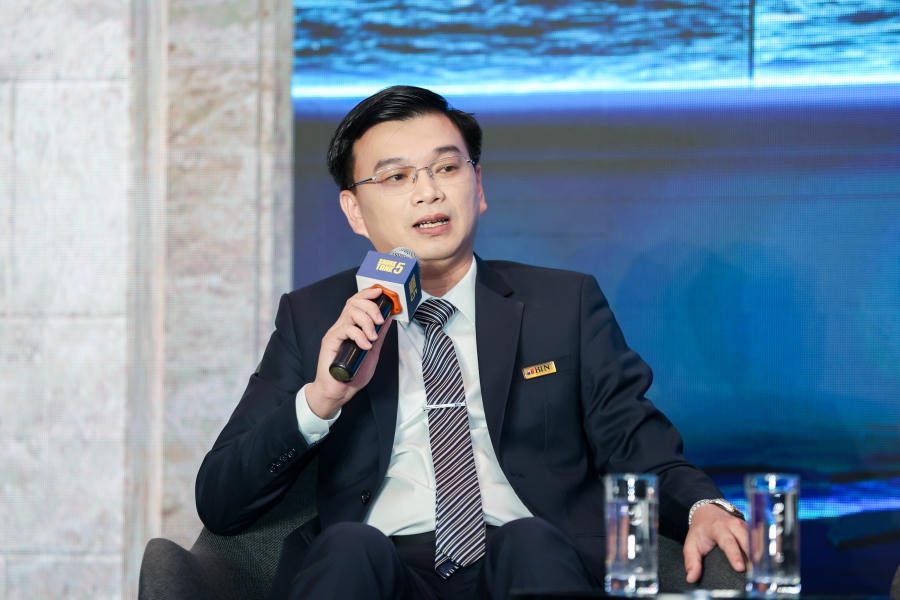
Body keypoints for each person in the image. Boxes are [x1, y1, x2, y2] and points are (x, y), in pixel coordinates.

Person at [195, 85, 749, 599]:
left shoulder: (563, 304)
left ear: (478, 187)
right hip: (379, 567)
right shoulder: (315, 316)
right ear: (354, 211)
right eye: (396, 177)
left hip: (533, 561)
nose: (429, 191)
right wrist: (322, 399)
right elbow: (221, 502)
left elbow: (636, 443)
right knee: (347, 546)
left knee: (531, 541)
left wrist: (702, 505)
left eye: (446, 167)